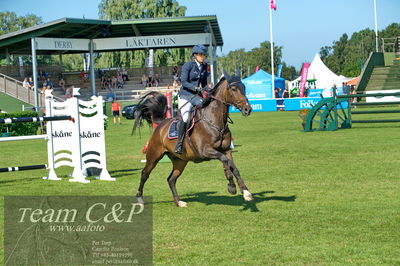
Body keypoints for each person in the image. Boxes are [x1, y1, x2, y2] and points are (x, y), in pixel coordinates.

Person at [174, 44, 209, 154]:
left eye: (204, 55)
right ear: (195, 55)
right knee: (185, 118)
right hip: (185, 96)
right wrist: (195, 88)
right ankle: (179, 144)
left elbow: (204, 84)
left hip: (196, 97)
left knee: (207, 111)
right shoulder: (188, 65)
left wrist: (209, 90)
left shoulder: (204, 66)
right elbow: (184, 82)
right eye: (201, 55)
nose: (203, 57)